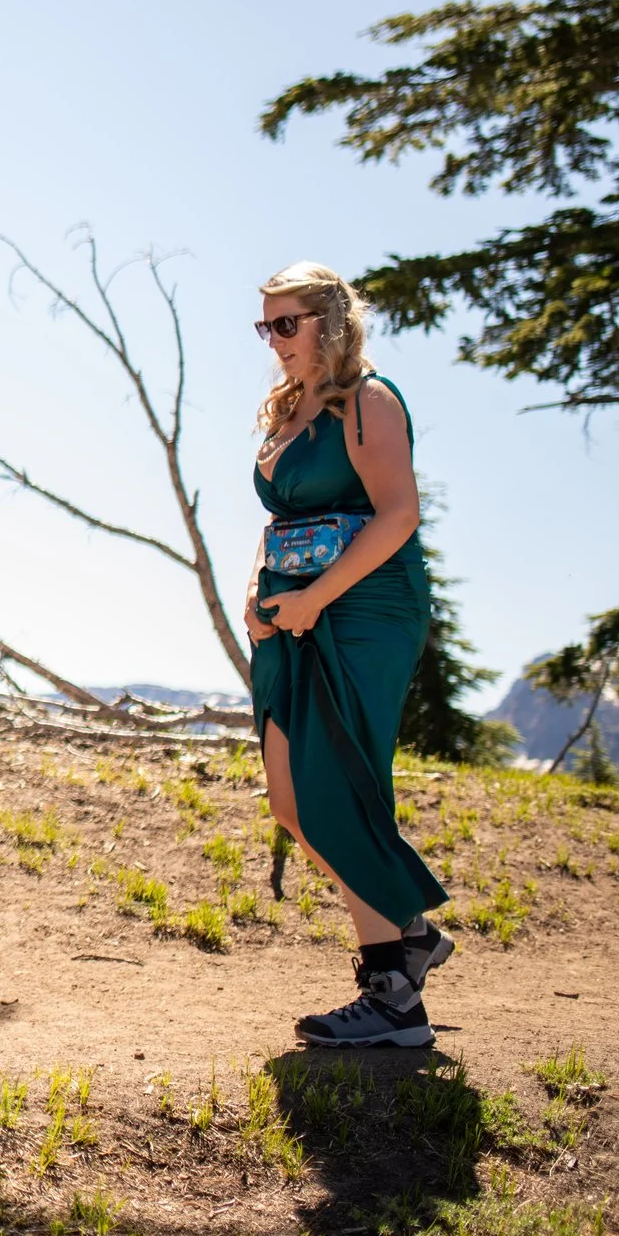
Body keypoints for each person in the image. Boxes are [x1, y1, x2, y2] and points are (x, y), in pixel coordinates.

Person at [244, 261, 451, 1048]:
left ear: (330, 322)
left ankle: (393, 995)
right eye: (265, 326)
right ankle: (410, 933)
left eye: (286, 323)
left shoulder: (369, 400)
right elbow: (274, 523)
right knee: (292, 799)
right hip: (291, 609)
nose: (275, 340)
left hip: (363, 608)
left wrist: (317, 597)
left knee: (337, 783)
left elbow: (397, 515)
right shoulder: (287, 407)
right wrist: (256, 593)